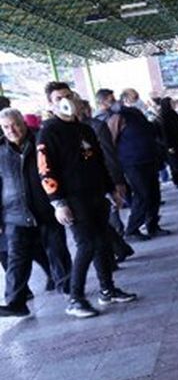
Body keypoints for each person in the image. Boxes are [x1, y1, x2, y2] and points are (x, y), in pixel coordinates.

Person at [37, 83, 137, 318]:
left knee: (102, 242)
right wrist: (58, 202)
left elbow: (98, 161)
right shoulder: (49, 131)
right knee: (86, 245)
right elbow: (45, 170)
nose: (66, 100)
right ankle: (76, 298)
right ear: (51, 104)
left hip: (95, 195)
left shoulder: (85, 129)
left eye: (69, 95)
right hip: (72, 199)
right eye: (59, 97)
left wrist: (111, 189)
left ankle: (107, 289)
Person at [0, 108, 70, 315]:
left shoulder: (41, 143)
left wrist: (61, 202)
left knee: (57, 252)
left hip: (45, 209)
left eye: (15, 124)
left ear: (23, 122)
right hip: (15, 214)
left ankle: (70, 291)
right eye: (5, 127)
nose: (11, 130)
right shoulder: (1, 151)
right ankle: (16, 303)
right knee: (16, 259)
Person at [102, 88, 167, 239]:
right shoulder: (115, 117)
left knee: (154, 194)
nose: (115, 102)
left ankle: (153, 224)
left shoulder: (135, 113)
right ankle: (132, 229)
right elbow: (109, 142)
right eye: (111, 100)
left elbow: (150, 130)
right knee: (142, 195)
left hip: (147, 159)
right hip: (132, 163)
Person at [80, 98, 134, 264]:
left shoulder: (96, 127)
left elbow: (108, 154)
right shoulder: (62, 131)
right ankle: (118, 249)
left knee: (110, 216)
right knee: (100, 222)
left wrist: (116, 180)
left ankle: (116, 250)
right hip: (85, 185)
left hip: (102, 178)